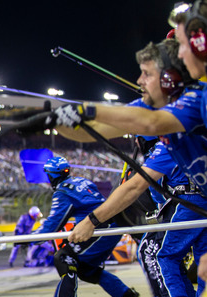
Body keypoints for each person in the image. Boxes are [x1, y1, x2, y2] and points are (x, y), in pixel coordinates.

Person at [50, 2, 207, 282]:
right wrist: (55, 121)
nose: (140, 81)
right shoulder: (180, 105)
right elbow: (101, 128)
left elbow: (150, 125)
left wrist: (88, 110)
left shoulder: (192, 102)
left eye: (181, 47)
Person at [67, 39, 204, 297]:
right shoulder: (165, 128)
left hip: (191, 203)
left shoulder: (191, 108)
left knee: (164, 254)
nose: (139, 80)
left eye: (146, 73)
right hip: (196, 202)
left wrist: (92, 220)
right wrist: (61, 119)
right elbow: (114, 125)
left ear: (170, 80)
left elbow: (133, 184)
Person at [34, 157, 139, 297]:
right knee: (84, 269)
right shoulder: (82, 181)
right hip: (109, 227)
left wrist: (29, 239)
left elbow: (54, 223)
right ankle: (126, 294)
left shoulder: (63, 192)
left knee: (64, 257)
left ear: (52, 176)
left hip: (100, 229)